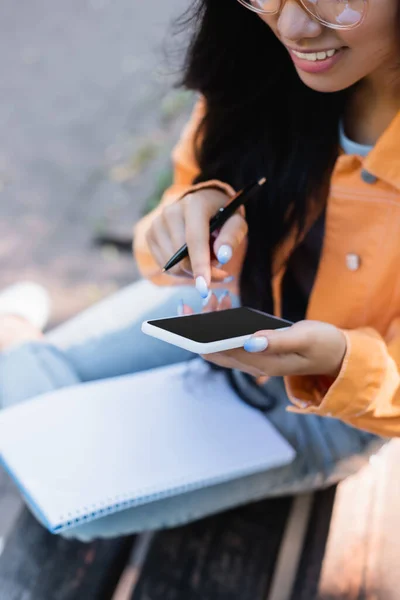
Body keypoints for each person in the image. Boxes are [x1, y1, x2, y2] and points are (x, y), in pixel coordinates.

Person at [1, 0, 399, 540]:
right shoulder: (254, 61)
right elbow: (161, 252)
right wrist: (195, 207)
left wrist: (340, 362)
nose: (294, 27)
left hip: (329, 413)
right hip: (216, 310)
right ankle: (21, 341)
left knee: (75, 502)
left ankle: (17, 334)